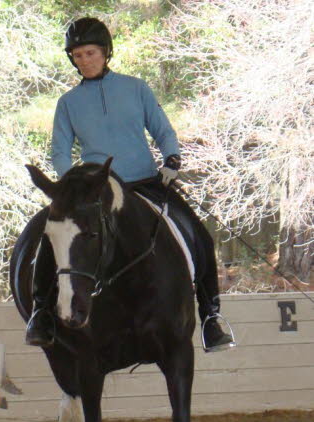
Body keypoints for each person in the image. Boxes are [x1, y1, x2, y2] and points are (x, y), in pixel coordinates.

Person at [26, 17, 235, 352]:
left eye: (90, 53)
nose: (84, 61)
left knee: (197, 233)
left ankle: (211, 316)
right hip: (96, 191)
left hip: (143, 183)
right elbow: (60, 152)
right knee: (55, 239)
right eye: (77, 56)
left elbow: (163, 130)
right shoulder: (68, 103)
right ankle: (40, 311)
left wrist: (171, 159)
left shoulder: (136, 88)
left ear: (105, 52)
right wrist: (73, 187)